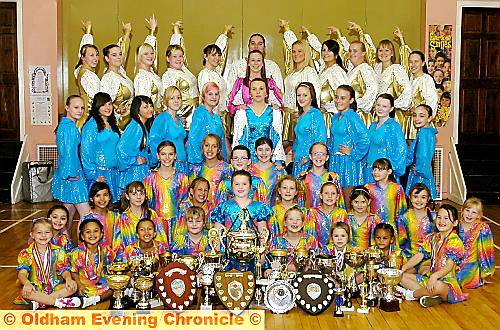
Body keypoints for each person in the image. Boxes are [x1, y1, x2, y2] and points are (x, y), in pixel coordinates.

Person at [400, 204, 469, 307]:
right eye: (439, 217)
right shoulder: (432, 237)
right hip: (431, 279)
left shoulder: (454, 241)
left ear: (455, 223)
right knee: (401, 277)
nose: (441, 221)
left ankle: (410, 295)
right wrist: (403, 268)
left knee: (437, 286)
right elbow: (420, 255)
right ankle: (429, 296)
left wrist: (435, 276)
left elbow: (449, 265)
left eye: (446, 218)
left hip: (446, 284)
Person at [17, 218, 79, 310]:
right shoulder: (26, 253)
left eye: (47, 232)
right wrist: (27, 283)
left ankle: (41, 302)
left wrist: (69, 279)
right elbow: (22, 273)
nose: (43, 235)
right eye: (39, 232)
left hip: (54, 287)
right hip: (34, 288)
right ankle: (61, 303)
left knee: (72, 287)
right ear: (32, 235)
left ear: (52, 234)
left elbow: (63, 270)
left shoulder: (58, 251)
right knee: (25, 292)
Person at [51, 95, 91, 226]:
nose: (80, 110)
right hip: (72, 175)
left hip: (69, 173)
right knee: (87, 215)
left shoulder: (66, 125)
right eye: (76, 107)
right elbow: (67, 153)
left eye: (82, 108)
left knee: (66, 215)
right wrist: (71, 173)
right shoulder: (68, 127)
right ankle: (84, 246)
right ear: (67, 108)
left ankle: (62, 243)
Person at [329, 85, 369, 203]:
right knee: (336, 198)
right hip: (335, 161)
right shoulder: (336, 117)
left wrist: (352, 152)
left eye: (342, 98)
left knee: (348, 201)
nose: (338, 101)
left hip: (348, 163)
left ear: (351, 100)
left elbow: (365, 138)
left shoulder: (352, 117)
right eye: (336, 97)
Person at [232, 77, 285, 163]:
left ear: (266, 93)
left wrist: (278, 160)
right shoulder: (242, 113)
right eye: (254, 89)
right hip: (248, 161)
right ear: (250, 93)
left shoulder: (275, 112)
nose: (258, 92)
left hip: (268, 159)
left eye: (261, 88)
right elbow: (237, 139)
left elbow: (278, 137)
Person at [143, 141, 189, 240]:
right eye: (163, 154)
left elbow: (184, 204)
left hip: (176, 224)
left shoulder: (182, 178)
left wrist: (180, 227)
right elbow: (147, 204)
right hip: (155, 225)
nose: (167, 158)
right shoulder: (150, 179)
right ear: (158, 156)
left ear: (175, 156)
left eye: (170, 154)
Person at [81, 92, 121, 202]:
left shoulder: (112, 123)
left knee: (113, 210)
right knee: (98, 210)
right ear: (97, 106)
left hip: (114, 173)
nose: (107, 108)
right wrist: (94, 175)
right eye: (103, 105)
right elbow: (86, 152)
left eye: (109, 104)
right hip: (100, 174)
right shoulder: (91, 126)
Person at [112, 181, 168, 258]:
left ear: (145, 196)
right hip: (130, 262)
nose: (138, 197)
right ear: (127, 196)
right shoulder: (122, 219)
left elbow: (161, 240)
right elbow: (117, 247)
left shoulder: (152, 214)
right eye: (134, 194)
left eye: (141, 194)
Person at [70, 218, 114, 308]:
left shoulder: (106, 250)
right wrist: (80, 285)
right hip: (85, 285)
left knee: (115, 288)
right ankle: (91, 300)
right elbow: (74, 272)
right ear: (82, 236)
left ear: (101, 234)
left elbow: (110, 267)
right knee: (77, 292)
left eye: (96, 231)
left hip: (102, 284)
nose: (92, 234)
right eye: (88, 232)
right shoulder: (77, 253)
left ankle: (94, 300)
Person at [283, 40, 321, 141]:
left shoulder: (309, 71)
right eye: (294, 52)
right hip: (288, 114)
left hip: (300, 114)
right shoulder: (291, 73)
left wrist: (305, 114)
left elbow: (315, 94)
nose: (296, 54)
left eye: (300, 51)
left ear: (306, 53)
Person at [364, 94, 407, 183]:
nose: (380, 108)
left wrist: (393, 168)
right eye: (378, 105)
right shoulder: (372, 126)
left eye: (384, 106)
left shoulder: (394, 126)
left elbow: (401, 149)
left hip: (384, 172)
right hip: (370, 169)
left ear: (391, 109)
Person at [225, 33, 284, 98]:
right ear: (248, 46)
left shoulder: (272, 66)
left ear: (264, 48)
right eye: (253, 44)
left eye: (260, 44)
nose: (256, 47)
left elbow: (280, 93)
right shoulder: (237, 66)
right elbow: (229, 93)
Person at [374, 35, 412, 132]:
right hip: (378, 113)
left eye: (387, 50)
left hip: (392, 114)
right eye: (380, 50)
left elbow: (407, 89)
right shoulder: (376, 68)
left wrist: (392, 105)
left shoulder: (397, 68)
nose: (383, 53)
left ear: (392, 53)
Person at [100, 23, 134, 130]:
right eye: (114, 55)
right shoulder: (108, 78)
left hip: (128, 121)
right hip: (117, 123)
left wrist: (127, 33)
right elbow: (104, 103)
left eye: (120, 54)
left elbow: (125, 47)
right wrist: (117, 109)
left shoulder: (122, 74)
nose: (118, 57)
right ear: (106, 58)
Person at [116, 95, 153, 193]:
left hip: (140, 171)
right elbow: (121, 149)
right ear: (137, 110)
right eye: (145, 107)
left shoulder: (143, 126)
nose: (150, 109)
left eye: (151, 106)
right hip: (134, 173)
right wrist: (135, 160)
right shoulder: (136, 127)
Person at [228, 50, 284, 115]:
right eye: (252, 60)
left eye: (258, 60)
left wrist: (276, 107)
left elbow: (280, 105)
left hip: (266, 121)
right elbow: (231, 107)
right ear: (248, 63)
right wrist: (238, 107)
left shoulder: (270, 83)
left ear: (263, 63)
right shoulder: (240, 83)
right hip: (245, 120)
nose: (256, 63)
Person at [456, 198, 495, 289]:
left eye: (474, 212)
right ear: (462, 210)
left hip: (471, 264)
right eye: (467, 210)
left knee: (456, 279)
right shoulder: (456, 225)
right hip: (454, 262)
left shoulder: (482, 228)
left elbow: (487, 251)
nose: (469, 214)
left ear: (479, 215)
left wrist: (485, 271)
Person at [187, 82, 228, 164]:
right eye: (210, 94)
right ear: (203, 96)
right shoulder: (200, 113)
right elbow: (193, 139)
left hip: (217, 162)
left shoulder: (216, 117)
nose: (214, 97)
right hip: (202, 163)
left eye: (216, 94)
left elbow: (222, 141)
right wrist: (198, 163)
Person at [268, 207, 318, 273]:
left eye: (298, 219)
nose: (295, 222)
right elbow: (270, 262)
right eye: (291, 219)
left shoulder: (310, 240)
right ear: (285, 223)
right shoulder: (276, 241)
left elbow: (315, 262)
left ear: (303, 224)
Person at [292, 82, 327, 176]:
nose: (301, 98)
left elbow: (320, 139)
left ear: (312, 97)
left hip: (310, 160)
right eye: (298, 95)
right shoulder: (301, 115)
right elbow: (298, 138)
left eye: (305, 95)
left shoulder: (315, 114)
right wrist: (293, 152)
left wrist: (309, 157)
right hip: (298, 159)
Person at [161, 43, 198, 129]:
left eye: (180, 56)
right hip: (183, 115)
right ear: (167, 58)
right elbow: (167, 100)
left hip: (194, 112)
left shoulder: (186, 72)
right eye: (175, 56)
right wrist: (176, 117)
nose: (178, 59)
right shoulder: (168, 76)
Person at [149, 86, 188, 167]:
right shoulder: (162, 119)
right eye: (172, 98)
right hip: (168, 165)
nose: (176, 101)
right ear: (166, 101)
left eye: (178, 97)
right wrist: (157, 161)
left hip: (183, 164)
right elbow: (154, 141)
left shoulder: (178, 119)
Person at [397, 183, 436, 263]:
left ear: (428, 199)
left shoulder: (435, 217)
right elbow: (401, 242)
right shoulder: (404, 218)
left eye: (423, 197)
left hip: (429, 259)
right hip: (409, 258)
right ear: (410, 198)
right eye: (415, 197)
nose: (419, 200)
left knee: (426, 273)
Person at [365, 158, 407, 231]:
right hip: (374, 229)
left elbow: (402, 211)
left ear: (389, 171)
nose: (376, 172)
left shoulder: (397, 188)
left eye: (380, 170)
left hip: (392, 229)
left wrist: (401, 232)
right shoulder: (368, 188)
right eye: (374, 169)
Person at [406, 104, 438, 199]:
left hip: (420, 174)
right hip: (423, 171)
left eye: (421, 116)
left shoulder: (424, 133)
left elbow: (423, 155)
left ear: (429, 118)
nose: (417, 119)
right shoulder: (429, 132)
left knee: (418, 199)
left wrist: (419, 169)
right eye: (415, 115)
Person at [300, 142, 344, 209]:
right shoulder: (303, 177)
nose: (319, 157)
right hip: (308, 218)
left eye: (322, 154)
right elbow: (299, 203)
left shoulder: (333, 177)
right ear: (310, 156)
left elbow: (339, 202)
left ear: (327, 157)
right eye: (315, 154)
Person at [189, 134, 232, 202]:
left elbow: (231, 194)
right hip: (201, 210)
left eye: (214, 146)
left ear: (219, 149)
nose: (210, 149)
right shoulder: (195, 169)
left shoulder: (227, 168)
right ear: (202, 148)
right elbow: (191, 194)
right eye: (207, 145)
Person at [134, 15, 163, 113]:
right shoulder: (142, 76)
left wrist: (152, 31)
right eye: (146, 54)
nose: (150, 56)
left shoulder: (151, 73)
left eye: (152, 53)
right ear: (140, 56)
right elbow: (142, 103)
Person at [306, 181, 348, 248]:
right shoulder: (312, 213)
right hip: (316, 253)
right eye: (326, 193)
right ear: (321, 196)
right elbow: (309, 236)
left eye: (333, 193)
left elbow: (347, 236)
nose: (330, 196)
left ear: (337, 196)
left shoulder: (342, 213)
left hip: (337, 252)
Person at [74, 21, 100, 128]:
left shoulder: (80, 70)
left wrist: (88, 31)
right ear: (83, 58)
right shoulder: (88, 75)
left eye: (97, 55)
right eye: (92, 55)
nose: (96, 58)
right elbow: (98, 99)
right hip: (90, 119)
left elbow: (83, 48)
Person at [407, 50, 438, 139]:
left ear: (423, 63)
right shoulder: (409, 80)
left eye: (416, 61)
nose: (413, 65)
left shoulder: (426, 79)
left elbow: (432, 101)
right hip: (410, 122)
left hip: (421, 123)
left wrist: (424, 119)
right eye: (410, 62)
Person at [249, 137, 287, 204]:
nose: (264, 153)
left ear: (272, 151)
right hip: (253, 211)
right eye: (260, 150)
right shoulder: (249, 171)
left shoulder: (279, 171)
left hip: (274, 211)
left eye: (267, 150)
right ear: (255, 152)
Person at [81, 182, 117, 248]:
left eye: (105, 195)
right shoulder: (86, 219)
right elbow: (81, 244)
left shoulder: (116, 217)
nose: (102, 199)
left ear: (110, 197)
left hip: (115, 255)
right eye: (98, 196)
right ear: (91, 199)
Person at [346, 186, 381, 251]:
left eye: (363, 202)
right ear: (351, 202)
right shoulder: (346, 218)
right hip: (350, 255)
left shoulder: (374, 219)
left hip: (369, 256)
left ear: (369, 202)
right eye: (356, 202)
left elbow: (377, 241)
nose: (359, 205)